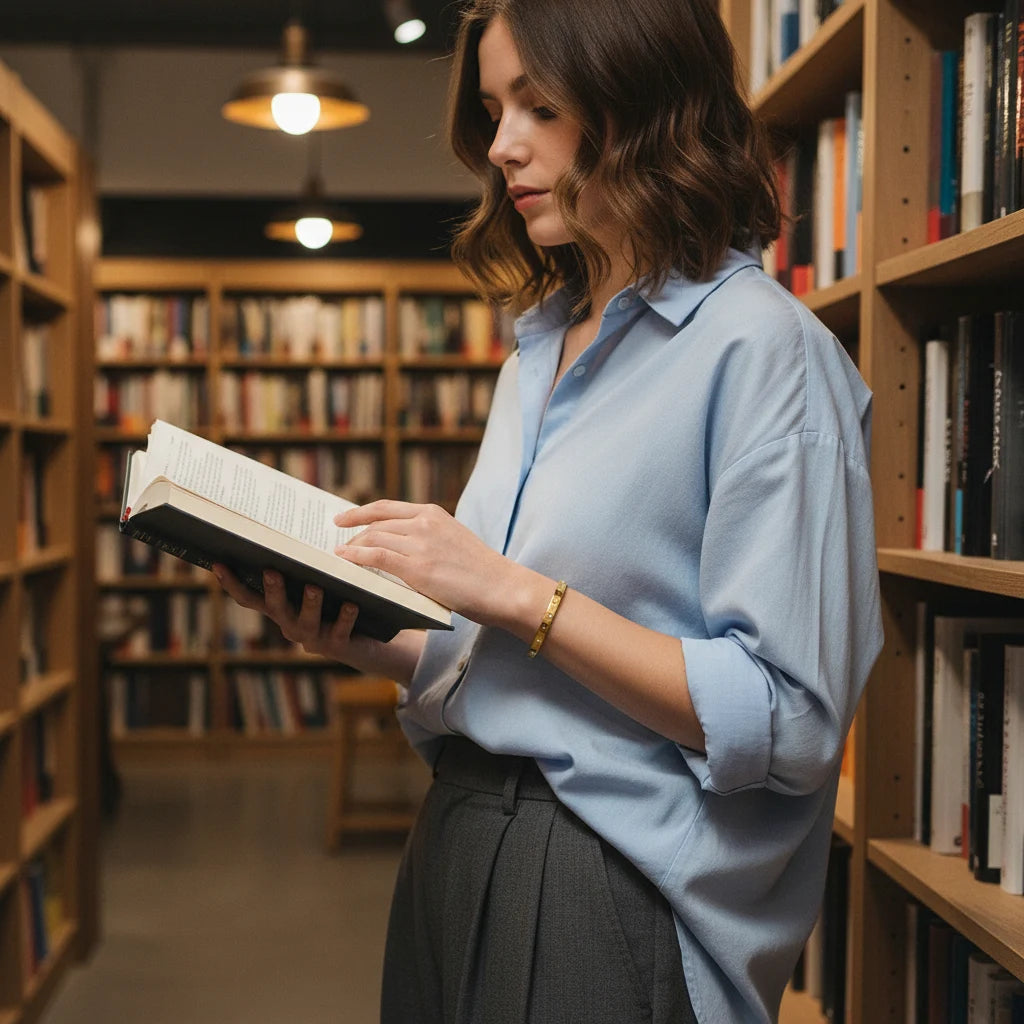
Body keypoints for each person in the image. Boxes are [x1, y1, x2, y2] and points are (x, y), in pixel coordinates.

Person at [214, 0, 884, 1020]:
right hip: (458, 828)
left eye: (541, 106)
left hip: (604, 873)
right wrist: (358, 631)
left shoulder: (766, 355)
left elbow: (788, 715)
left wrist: (510, 588)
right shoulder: (539, 349)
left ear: (643, 105)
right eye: (492, 109)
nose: (501, 147)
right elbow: (512, 664)